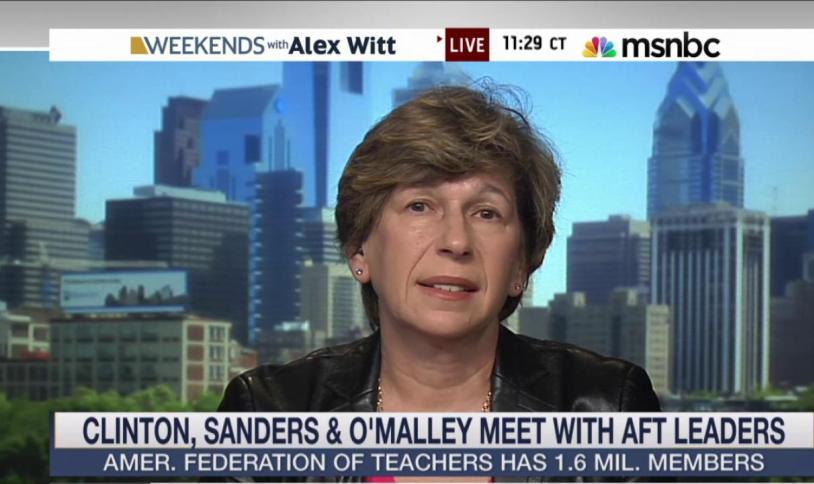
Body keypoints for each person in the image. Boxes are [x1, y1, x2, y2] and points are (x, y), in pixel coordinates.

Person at [218, 84, 661, 482]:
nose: (456, 241)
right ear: (359, 250)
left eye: (487, 213)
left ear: (521, 265)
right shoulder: (268, 414)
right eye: (420, 206)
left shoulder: (609, 409)